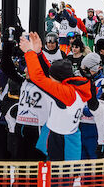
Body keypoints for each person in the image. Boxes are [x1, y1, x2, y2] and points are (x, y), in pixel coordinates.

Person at [20, 32, 92, 163]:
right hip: (64, 138)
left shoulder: (64, 93)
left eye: (52, 78)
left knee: (58, 180)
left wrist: (29, 52)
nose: (50, 79)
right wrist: (39, 53)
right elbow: (51, 71)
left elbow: (39, 78)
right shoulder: (73, 86)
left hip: (62, 144)